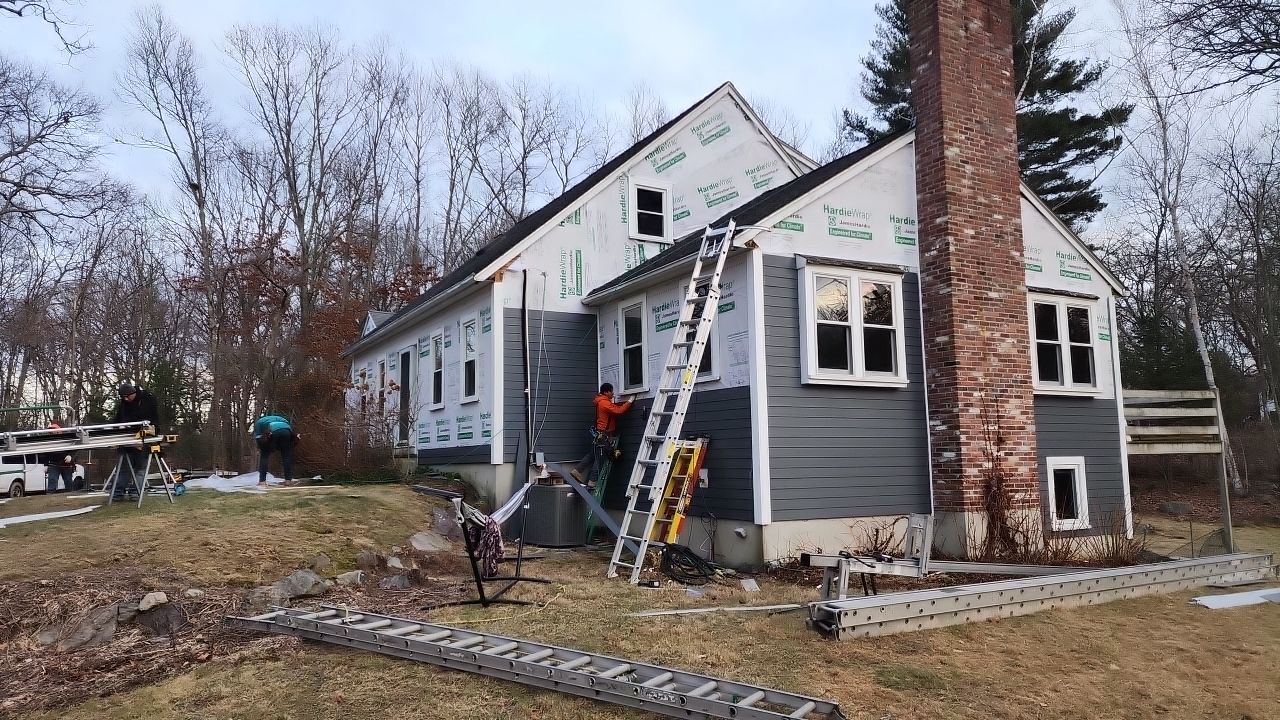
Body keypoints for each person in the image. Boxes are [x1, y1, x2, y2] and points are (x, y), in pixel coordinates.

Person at [570, 383, 632, 489]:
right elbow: (619, 410)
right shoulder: (604, 403)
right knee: (599, 458)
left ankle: (577, 471)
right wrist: (629, 401)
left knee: (592, 455)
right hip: (604, 435)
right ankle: (592, 482)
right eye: (611, 391)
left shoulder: (601, 401)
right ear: (606, 392)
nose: (613, 393)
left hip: (599, 433)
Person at [111, 382, 160, 499]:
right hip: (126, 438)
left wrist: (152, 432)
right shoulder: (124, 403)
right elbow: (118, 418)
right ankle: (117, 493)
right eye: (123, 398)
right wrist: (116, 428)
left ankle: (135, 492)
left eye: (127, 397)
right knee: (123, 468)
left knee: (140, 469)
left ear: (133, 393)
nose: (126, 399)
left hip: (144, 437)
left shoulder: (147, 399)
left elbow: (152, 419)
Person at [252, 413, 297, 487]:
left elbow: (259, 439)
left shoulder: (259, 423)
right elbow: (289, 432)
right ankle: (288, 480)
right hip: (286, 431)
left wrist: (263, 448)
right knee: (286, 456)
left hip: (274, 431)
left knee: (264, 456)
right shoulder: (283, 419)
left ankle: (262, 481)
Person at [41, 423, 76, 494]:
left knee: (68, 481)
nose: (50, 432)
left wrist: (70, 455)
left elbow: (74, 448)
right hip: (54, 464)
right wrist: (46, 464)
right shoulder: (48, 440)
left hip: (66, 463)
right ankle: (50, 495)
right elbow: (46, 453)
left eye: (52, 430)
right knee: (52, 480)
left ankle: (71, 494)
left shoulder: (66, 438)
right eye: (50, 430)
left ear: (58, 431)